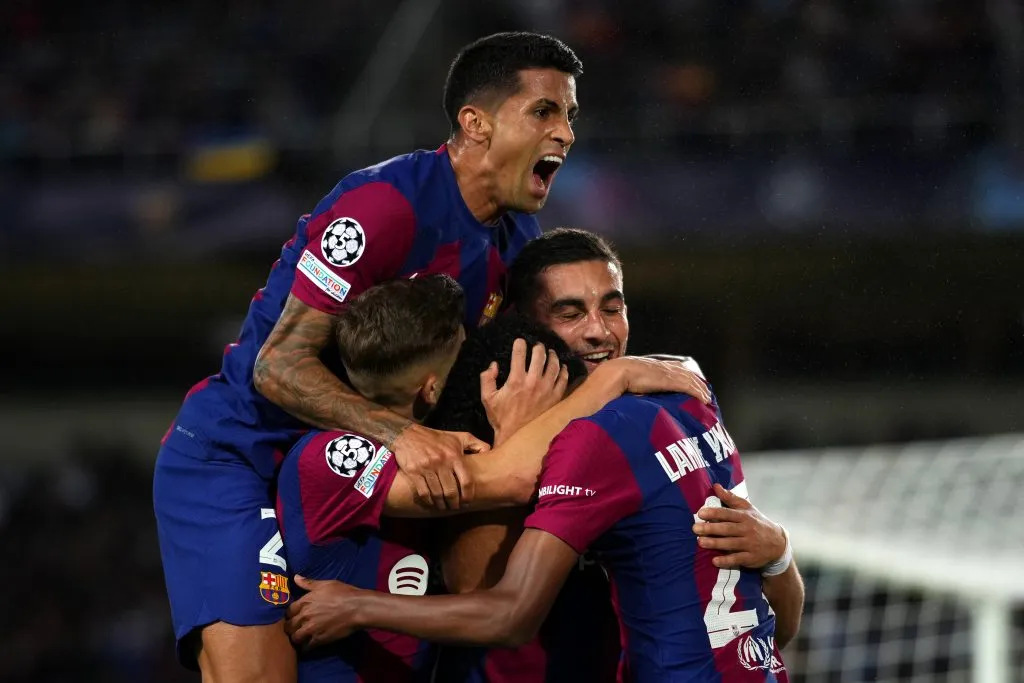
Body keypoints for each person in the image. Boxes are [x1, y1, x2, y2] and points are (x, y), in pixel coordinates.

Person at [152, 32, 598, 682]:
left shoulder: (517, 241)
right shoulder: (385, 206)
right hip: (242, 455)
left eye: (571, 117)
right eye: (545, 112)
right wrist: (402, 432)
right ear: (475, 124)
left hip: (367, 476)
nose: (566, 133)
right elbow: (276, 366)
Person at [286, 228, 804, 682]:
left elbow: (756, 631)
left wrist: (779, 553)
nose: (600, 331)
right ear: (524, 325)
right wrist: (528, 425)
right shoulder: (472, 417)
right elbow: (479, 590)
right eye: (570, 313)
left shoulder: (667, 404)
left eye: (612, 306)